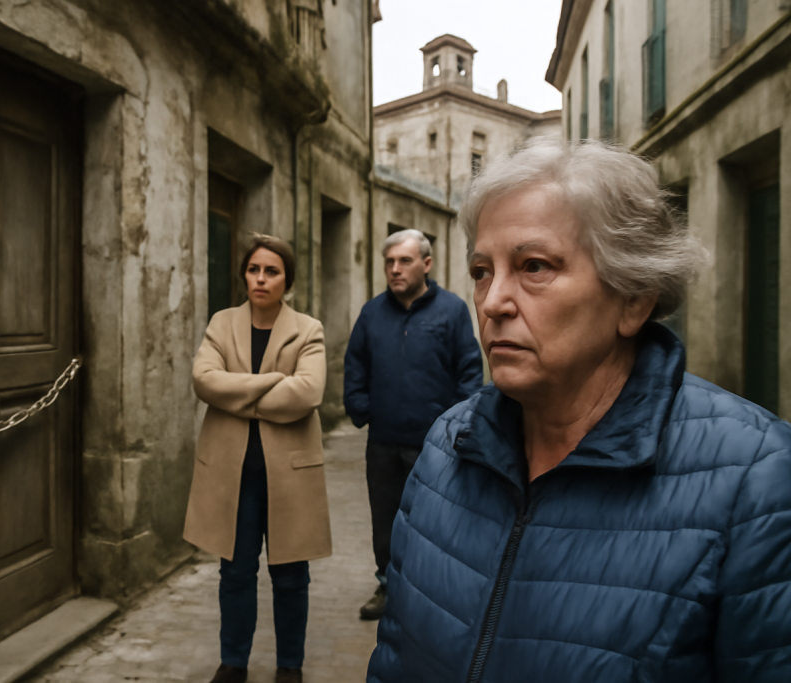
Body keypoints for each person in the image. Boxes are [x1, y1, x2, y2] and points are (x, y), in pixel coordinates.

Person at [367, 138, 791, 683]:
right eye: (480, 271)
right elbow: (395, 658)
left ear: (633, 297)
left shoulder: (758, 481)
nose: (493, 300)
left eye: (534, 266)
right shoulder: (447, 445)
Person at [184, 234, 331, 683]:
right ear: (244, 273)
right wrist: (271, 383)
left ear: (287, 280)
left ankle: (290, 665)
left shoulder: (308, 329)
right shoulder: (221, 322)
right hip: (232, 472)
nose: (261, 279)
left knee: (290, 575)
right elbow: (204, 381)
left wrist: (238, 391)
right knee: (235, 572)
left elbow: (307, 393)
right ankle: (234, 662)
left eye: (271, 271)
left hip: (289, 473)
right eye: (254, 269)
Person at [343, 228, 484, 620]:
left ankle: (432, 593)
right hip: (384, 441)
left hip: (436, 445)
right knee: (385, 518)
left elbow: (470, 372)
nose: (395, 269)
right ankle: (388, 586)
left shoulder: (452, 310)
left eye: (404, 261)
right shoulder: (373, 312)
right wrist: (361, 407)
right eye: (389, 262)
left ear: (426, 264)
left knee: (437, 519)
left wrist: (460, 427)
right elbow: (355, 365)